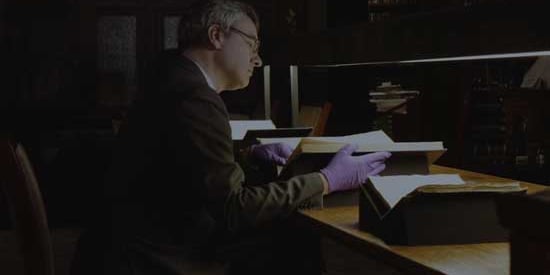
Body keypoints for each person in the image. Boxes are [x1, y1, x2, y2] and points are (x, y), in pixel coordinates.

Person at [71, 1, 391, 274]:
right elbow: (233, 212)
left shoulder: (172, 75)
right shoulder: (195, 96)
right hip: (153, 257)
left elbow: (178, 166)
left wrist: (249, 155)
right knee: (295, 238)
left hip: (127, 243)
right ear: (216, 35)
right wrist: (326, 179)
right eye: (251, 44)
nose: (257, 58)